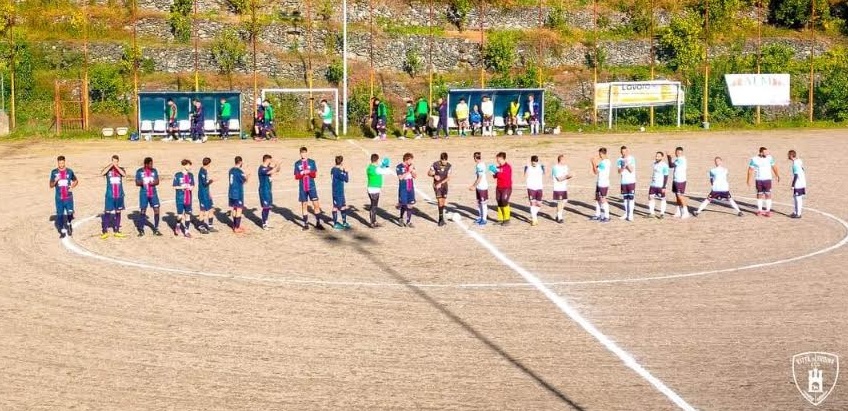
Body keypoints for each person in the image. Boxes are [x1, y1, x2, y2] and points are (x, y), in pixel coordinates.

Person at [294, 147, 325, 230]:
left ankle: (318, 223)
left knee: (316, 204)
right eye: (302, 153)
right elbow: (296, 177)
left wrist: (308, 172)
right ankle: (306, 224)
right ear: (300, 154)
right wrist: (302, 173)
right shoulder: (297, 163)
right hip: (303, 187)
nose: (303, 154)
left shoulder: (312, 162)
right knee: (304, 205)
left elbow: (314, 175)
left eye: (304, 153)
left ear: (307, 153)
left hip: (311, 186)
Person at [49, 155, 79, 238]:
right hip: (59, 198)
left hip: (68, 197)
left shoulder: (69, 171)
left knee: (70, 213)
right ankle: (62, 231)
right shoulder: (54, 172)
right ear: (58, 163)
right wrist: (55, 180)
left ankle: (69, 224)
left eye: (62, 163)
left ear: (64, 162)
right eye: (59, 163)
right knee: (60, 215)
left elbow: (76, 180)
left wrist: (72, 186)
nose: (61, 165)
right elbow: (51, 185)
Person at [747, 146, 780, 217]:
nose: (767, 153)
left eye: (767, 152)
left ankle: (768, 211)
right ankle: (760, 210)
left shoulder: (770, 158)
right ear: (761, 153)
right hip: (759, 179)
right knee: (759, 195)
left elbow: (774, 167)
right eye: (765, 152)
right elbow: (750, 170)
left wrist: (777, 175)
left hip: (768, 179)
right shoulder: (754, 159)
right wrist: (748, 180)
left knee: (768, 194)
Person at [100, 154, 127, 239]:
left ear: (118, 162)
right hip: (110, 195)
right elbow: (102, 173)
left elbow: (124, 174)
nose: (114, 163)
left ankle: (117, 231)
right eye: (113, 161)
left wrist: (116, 167)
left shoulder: (121, 169)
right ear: (111, 161)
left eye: (116, 161)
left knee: (118, 212)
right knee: (107, 212)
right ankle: (105, 231)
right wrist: (111, 165)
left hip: (119, 195)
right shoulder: (108, 170)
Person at [135, 157, 163, 236]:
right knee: (143, 211)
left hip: (153, 194)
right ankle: (141, 229)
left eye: (152, 163)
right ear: (146, 164)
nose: (152, 165)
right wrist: (143, 182)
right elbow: (137, 183)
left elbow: (157, 181)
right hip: (144, 194)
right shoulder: (139, 171)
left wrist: (152, 183)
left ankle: (156, 229)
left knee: (157, 210)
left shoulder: (154, 171)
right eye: (150, 164)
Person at [427, 152, 453, 226]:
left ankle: (442, 218)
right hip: (436, 185)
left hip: (444, 185)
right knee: (440, 201)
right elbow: (428, 173)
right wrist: (434, 175)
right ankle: (440, 219)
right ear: (440, 159)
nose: (444, 162)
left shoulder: (449, 166)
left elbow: (448, 177)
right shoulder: (435, 164)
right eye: (443, 160)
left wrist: (441, 183)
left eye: (446, 160)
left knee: (443, 202)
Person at [172, 159, 196, 238]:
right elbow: (174, 186)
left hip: (188, 197)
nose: (190, 167)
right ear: (184, 165)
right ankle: (178, 225)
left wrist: (190, 187)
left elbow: (193, 185)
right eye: (189, 165)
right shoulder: (178, 175)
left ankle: (186, 231)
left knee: (187, 215)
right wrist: (181, 187)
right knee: (180, 216)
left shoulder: (191, 175)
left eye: (190, 165)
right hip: (180, 198)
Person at [258, 154, 281, 230]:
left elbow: (277, 170)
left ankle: (266, 222)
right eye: (270, 160)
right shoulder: (262, 169)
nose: (271, 161)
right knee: (265, 207)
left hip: (268, 190)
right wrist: (277, 164)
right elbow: (271, 171)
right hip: (263, 190)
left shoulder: (268, 167)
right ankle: (264, 223)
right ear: (267, 160)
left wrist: (278, 165)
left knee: (268, 207)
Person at [667, 147, 691, 219]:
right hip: (676, 179)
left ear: (682, 153)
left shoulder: (681, 159)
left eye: (679, 153)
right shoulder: (678, 159)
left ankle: (686, 212)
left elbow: (671, 165)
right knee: (677, 197)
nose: (678, 154)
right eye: (677, 152)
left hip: (680, 180)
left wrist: (669, 157)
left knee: (680, 196)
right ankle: (678, 212)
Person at [396, 152, 418, 227]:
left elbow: (415, 176)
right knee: (404, 204)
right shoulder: (399, 166)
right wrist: (408, 170)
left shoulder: (411, 166)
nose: (411, 162)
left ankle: (408, 221)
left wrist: (412, 171)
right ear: (406, 159)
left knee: (410, 204)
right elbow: (400, 177)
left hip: (410, 185)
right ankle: (401, 218)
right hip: (403, 187)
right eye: (410, 160)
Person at [491, 152, 513, 225]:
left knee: (504, 200)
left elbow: (503, 174)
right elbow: (495, 176)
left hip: (506, 187)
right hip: (499, 187)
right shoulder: (498, 167)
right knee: (499, 201)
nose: (497, 160)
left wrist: (496, 171)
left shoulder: (507, 167)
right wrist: (493, 171)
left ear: (501, 158)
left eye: (497, 158)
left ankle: (507, 219)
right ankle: (500, 219)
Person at [228, 156, 249, 233]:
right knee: (239, 209)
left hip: (231, 192)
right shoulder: (239, 171)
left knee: (234, 208)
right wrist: (248, 175)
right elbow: (245, 181)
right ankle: (237, 227)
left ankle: (234, 225)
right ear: (240, 162)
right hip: (238, 192)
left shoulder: (231, 170)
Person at [468, 151, 489, 226]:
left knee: (483, 203)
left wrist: (473, 186)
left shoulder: (480, 165)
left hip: (482, 187)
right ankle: (480, 217)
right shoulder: (480, 164)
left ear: (475, 158)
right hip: (479, 187)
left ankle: (484, 219)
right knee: (479, 203)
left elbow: (479, 177)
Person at [591, 147, 611, 222]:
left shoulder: (604, 162)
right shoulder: (607, 161)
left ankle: (607, 216)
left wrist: (593, 163)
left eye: (600, 154)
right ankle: (598, 214)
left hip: (603, 183)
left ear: (602, 154)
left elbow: (595, 172)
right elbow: (598, 168)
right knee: (597, 198)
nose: (599, 156)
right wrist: (596, 165)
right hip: (600, 182)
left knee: (603, 199)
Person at [617, 146, 637, 221]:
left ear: (627, 151)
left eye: (625, 152)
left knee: (631, 198)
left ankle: (631, 215)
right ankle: (626, 213)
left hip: (631, 181)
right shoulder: (619, 160)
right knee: (625, 199)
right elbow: (619, 171)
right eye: (622, 152)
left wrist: (626, 164)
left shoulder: (631, 158)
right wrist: (622, 167)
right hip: (623, 181)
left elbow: (631, 170)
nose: (624, 153)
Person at [647, 151, 669, 219]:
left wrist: (664, 186)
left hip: (660, 185)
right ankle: (652, 213)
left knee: (662, 199)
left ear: (662, 157)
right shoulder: (654, 163)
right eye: (656, 156)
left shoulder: (664, 165)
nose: (657, 157)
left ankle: (662, 213)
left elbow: (666, 176)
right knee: (650, 197)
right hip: (653, 184)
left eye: (659, 156)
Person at [551, 154, 573, 224]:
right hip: (558, 187)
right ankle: (560, 217)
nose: (565, 161)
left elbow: (566, 176)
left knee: (563, 202)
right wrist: (567, 176)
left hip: (564, 187)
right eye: (564, 159)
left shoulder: (565, 167)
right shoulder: (555, 167)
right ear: (560, 160)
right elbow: (559, 179)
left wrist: (570, 176)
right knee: (560, 202)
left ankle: (558, 215)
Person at [524, 155, 545, 226]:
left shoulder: (541, 167)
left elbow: (544, 173)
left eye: (536, 161)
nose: (534, 163)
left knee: (539, 204)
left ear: (537, 161)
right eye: (533, 161)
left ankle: (534, 215)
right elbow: (525, 175)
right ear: (531, 161)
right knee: (532, 203)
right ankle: (534, 219)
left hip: (539, 187)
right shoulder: (528, 167)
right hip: (531, 187)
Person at [330, 156, 351, 230]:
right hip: (337, 192)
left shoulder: (333, 169)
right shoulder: (339, 171)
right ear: (341, 162)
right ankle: (335, 224)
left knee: (343, 206)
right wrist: (346, 172)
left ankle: (344, 222)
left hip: (340, 192)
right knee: (335, 207)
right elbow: (346, 180)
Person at [197, 157, 216, 234]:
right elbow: (205, 183)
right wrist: (212, 180)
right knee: (203, 211)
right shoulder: (202, 172)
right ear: (209, 164)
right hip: (202, 194)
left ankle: (210, 226)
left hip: (206, 193)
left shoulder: (205, 171)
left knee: (211, 209)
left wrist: (209, 193)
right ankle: (201, 227)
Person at [788, 150, 806, 219]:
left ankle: (798, 214)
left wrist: (793, 185)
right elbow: (802, 169)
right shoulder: (799, 160)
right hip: (802, 182)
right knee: (797, 197)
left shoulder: (795, 164)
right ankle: (796, 212)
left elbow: (796, 175)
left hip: (798, 183)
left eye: (789, 155)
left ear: (791, 155)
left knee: (798, 198)